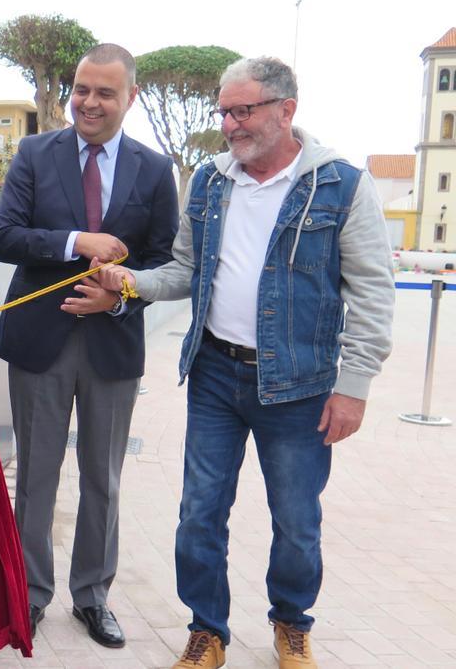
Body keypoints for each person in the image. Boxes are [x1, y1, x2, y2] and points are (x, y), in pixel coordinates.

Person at [96, 57, 394, 669]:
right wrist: (130, 282)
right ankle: (209, 630)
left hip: (302, 386)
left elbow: (372, 293)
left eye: (244, 110)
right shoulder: (207, 180)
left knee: (295, 520)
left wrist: (354, 386)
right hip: (213, 375)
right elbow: (185, 272)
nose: (230, 124)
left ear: (287, 110)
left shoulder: (341, 184)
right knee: (199, 513)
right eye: (224, 112)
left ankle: (291, 623)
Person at [0, 43, 178, 649]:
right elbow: (6, 237)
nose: (89, 103)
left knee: (104, 477)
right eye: (82, 89)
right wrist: (78, 241)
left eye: (105, 93)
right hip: (40, 340)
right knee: (36, 473)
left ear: (131, 98)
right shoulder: (34, 153)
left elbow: (165, 262)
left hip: (112, 344)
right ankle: (29, 592)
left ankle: (92, 597)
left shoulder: (154, 170)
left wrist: (119, 295)